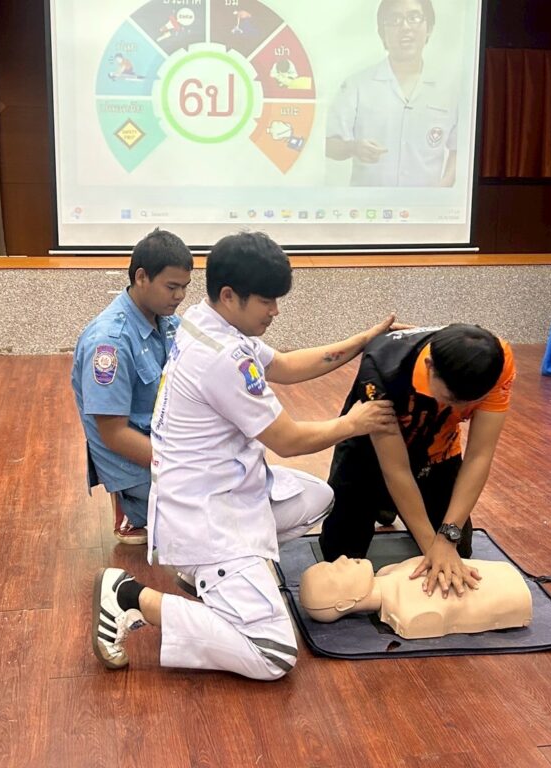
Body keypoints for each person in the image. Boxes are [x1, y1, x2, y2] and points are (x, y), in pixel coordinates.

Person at [92, 231, 400, 680]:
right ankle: (129, 597)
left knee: (319, 496)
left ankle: (213, 580)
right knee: (274, 656)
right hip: (207, 517)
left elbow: (287, 366)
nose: (275, 311)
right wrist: (355, 423)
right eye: (266, 301)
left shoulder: (205, 319)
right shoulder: (223, 357)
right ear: (229, 295)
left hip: (224, 490)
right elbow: (288, 440)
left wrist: (364, 340)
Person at [319, 324, 516, 599]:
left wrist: (446, 539)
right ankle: (383, 504)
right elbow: (396, 469)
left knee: (459, 553)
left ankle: (390, 506)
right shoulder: (381, 369)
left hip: (436, 449)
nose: (460, 409)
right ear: (429, 366)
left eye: (470, 402)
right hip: (369, 452)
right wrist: (431, 548)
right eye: (451, 399)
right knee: (339, 560)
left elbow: (479, 456)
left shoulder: (496, 361)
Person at [71, 229, 192, 545]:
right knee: (219, 502)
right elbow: (114, 435)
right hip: (134, 460)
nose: (180, 296)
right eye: (172, 287)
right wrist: (185, 465)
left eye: (185, 287)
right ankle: (131, 506)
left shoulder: (167, 321)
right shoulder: (109, 342)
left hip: (164, 439)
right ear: (141, 277)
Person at [325, 0, 457, 187]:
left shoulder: (448, 89)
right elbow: (328, 144)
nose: (405, 27)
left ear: (429, 28)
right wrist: (352, 147)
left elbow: (459, 148)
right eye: (395, 19)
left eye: (414, 17)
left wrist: (443, 188)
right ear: (382, 33)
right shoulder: (356, 85)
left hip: (425, 203)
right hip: (368, 204)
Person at [299, 555, 532, 638]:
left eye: (331, 563)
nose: (341, 559)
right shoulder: (408, 614)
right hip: (515, 595)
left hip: (500, 574)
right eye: (335, 572)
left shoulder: (387, 571)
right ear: (345, 604)